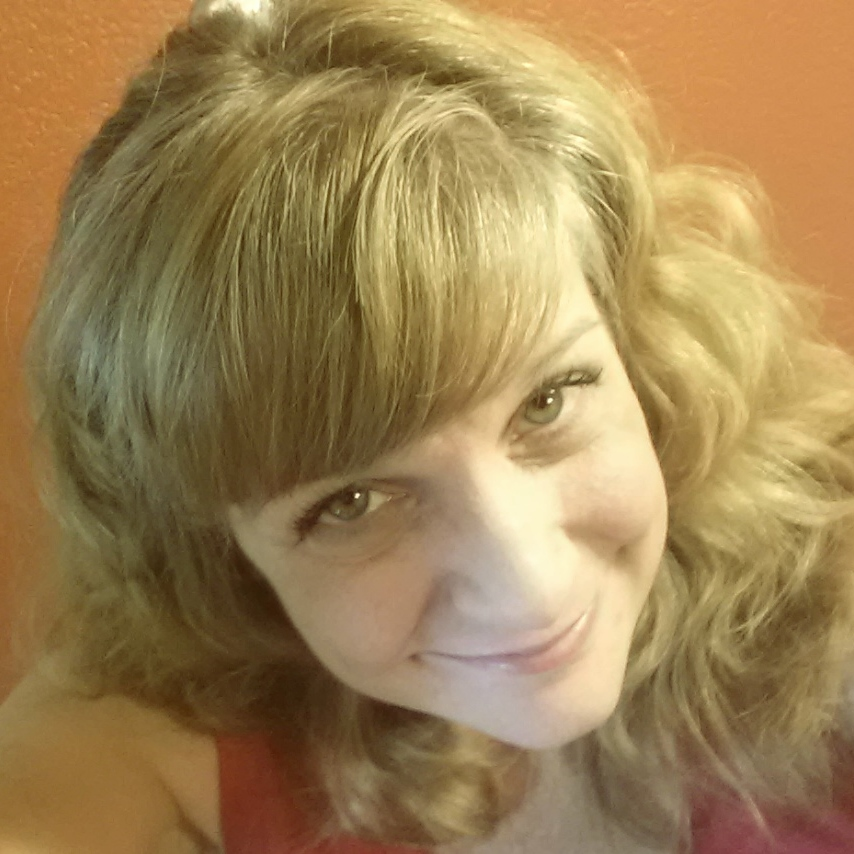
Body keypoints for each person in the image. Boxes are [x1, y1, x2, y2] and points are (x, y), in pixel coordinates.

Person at [2, 0, 854, 851]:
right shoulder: (161, 743)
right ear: (220, 550)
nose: (530, 586)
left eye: (548, 401)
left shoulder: (819, 552)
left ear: (635, 345)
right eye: (353, 502)